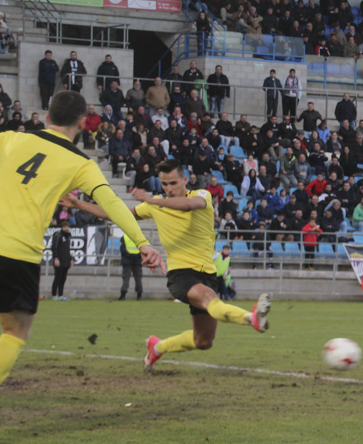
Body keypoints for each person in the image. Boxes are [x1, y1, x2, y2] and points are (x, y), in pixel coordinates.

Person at [0, 90, 163, 440]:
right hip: (21, 251)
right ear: (82, 122)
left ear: (47, 115)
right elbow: (112, 203)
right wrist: (142, 243)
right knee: (15, 333)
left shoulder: (10, 138)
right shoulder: (81, 163)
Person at [62, 159, 271, 372]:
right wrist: (79, 204)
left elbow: (190, 206)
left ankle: (158, 347)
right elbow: (116, 214)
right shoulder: (156, 205)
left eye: (173, 183)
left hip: (207, 274)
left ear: (185, 180)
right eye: (164, 184)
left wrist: (153, 201)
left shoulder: (201, 195)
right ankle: (250, 318)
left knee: (203, 341)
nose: (168, 189)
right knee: (210, 299)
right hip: (181, 274)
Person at [49, 220, 72, 301]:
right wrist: (55, 258)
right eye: (64, 227)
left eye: (67, 227)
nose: (66, 228)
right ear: (62, 228)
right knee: (57, 277)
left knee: (63, 278)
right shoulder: (58, 235)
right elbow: (54, 247)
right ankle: (54, 295)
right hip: (59, 260)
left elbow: (68, 249)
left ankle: (61, 295)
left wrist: (70, 259)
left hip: (66, 260)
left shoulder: (68, 236)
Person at [119, 233, 143, 301]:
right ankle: (139, 294)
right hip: (137, 260)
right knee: (138, 278)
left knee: (126, 278)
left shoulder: (124, 237)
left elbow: (122, 249)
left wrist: (130, 256)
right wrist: (136, 256)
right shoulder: (140, 237)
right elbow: (143, 249)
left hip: (127, 260)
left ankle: (123, 294)